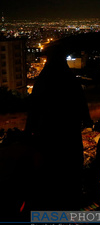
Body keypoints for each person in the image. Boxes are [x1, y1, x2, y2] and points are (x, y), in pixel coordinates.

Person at [25, 44, 91, 210]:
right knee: (69, 173)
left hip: (47, 135)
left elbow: (34, 108)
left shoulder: (44, 79)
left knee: (50, 175)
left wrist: (29, 132)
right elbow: (81, 105)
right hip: (69, 134)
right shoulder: (69, 78)